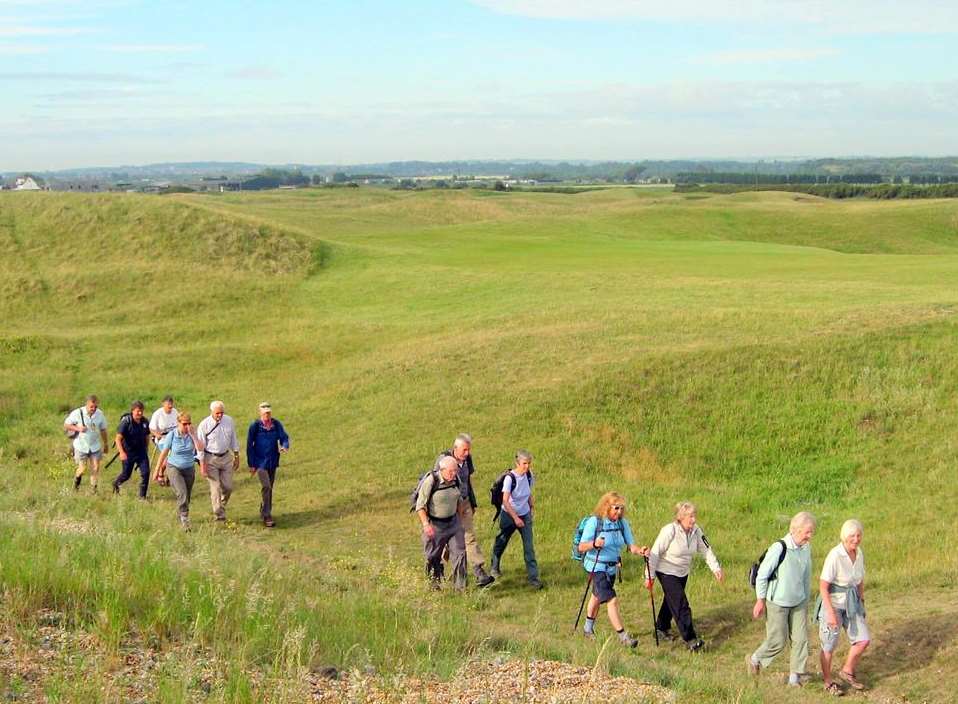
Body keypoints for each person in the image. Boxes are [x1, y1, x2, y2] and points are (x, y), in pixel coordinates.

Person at [747, 512, 817, 687]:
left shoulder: (806, 548)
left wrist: (807, 598)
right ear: (795, 530)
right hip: (777, 602)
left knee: (801, 640)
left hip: (799, 601)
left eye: (811, 532)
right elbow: (762, 575)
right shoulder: (779, 548)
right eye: (807, 532)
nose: (810, 536)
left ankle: (794, 679)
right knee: (778, 640)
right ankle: (755, 659)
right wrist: (760, 601)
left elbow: (807, 575)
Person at [646, 501, 724, 651]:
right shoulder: (669, 531)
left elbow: (706, 549)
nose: (694, 520)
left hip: (683, 572)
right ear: (680, 517)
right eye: (690, 517)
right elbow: (655, 553)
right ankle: (691, 639)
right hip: (666, 571)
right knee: (681, 604)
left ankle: (661, 628)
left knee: (671, 600)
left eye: (694, 516)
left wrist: (716, 568)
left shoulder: (696, 531)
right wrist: (649, 576)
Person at [578, 491, 647, 647]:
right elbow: (582, 546)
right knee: (612, 600)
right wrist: (594, 544)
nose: (619, 512)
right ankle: (623, 637)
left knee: (596, 596)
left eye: (622, 508)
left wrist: (640, 551)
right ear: (606, 507)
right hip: (596, 567)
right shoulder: (595, 523)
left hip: (612, 568)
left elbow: (631, 546)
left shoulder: (622, 524)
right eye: (616, 508)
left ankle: (587, 630)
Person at [817, 519, 870, 695]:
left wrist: (861, 602)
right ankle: (827, 681)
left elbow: (860, 580)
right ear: (844, 537)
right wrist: (830, 613)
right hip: (833, 603)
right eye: (852, 536)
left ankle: (847, 671)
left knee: (863, 639)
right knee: (829, 644)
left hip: (852, 603)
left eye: (858, 535)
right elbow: (823, 586)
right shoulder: (835, 555)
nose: (856, 539)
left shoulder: (859, 553)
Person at [435, 433, 494, 587]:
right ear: (455, 448)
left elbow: (468, 481)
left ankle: (479, 571)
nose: (467, 453)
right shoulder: (444, 460)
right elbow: (436, 483)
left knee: (469, 537)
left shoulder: (468, 460)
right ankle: (437, 571)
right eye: (464, 450)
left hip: (464, 504)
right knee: (446, 541)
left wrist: (472, 503)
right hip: (448, 507)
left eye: (468, 450)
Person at [490, 450, 541, 589]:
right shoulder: (510, 479)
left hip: (525, 515)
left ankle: (534, 578)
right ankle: (494, 566)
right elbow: (505, 501)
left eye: (529, 463)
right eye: (524, 463)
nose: (527, 467)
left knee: (529, 547)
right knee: (502, 540)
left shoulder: (529, 476)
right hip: (509, 515)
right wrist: (515, 518)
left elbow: (529, 493)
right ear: (517, 463)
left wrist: (531, 507)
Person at [416, 456, 468, 590]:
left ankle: (460, 588)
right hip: (435, 525)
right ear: (442, 470)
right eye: (450, 471)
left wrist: (460, 521)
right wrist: (426, 525)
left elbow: (460, 500)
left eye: (455, 471)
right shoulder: (431, 481)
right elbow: (420, 506)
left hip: (453, 523)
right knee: (433, 556)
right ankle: (434, 585)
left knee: (460, 554)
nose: (453, 474)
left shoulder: (456, 479)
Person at [246, 402, 290, 528]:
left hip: (273, 461)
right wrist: (251, 464)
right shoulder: (255, 426)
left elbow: (284, 437)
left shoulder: (276, 424)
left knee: (269, 487)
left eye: (269, 412)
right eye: (265, 413)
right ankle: (267, 515)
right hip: (259, 462)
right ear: (260, 413)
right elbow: (249, 445)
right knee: (266, 486)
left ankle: (264, 508)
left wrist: (284, 446)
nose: (267, 415)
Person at [195, 400, 240, 522]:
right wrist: (202, 465)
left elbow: (233, 438)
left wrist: (236, 455)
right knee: (215, 488)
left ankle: (221, 506)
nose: (220, 415)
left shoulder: (229, 421)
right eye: (217, 413)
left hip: (226, 457)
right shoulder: (204, 425)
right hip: (211, 459)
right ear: (212, 412)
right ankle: (219, 514)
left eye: (221, 413)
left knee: (228, 487)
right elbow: (200, 447)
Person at [156, 412, 199, 530]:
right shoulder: (172, 435)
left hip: (189, 468)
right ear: (178, 423)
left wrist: (193, 435)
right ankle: (185, 519)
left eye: (189, 424)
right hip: (174, 467)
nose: (187, 426)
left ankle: (180, 514)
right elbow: (164, 454)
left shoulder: (191, 434)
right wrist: (158, 471)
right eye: (184, 424)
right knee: (182, 492)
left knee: (187, 495)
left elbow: (200, 448)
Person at [63, 394, 109, 493]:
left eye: (96, 407)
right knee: (82, 468)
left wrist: (106, 444)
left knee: (95, 468)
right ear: (86, 405)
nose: (93, 409)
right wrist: (78, 428)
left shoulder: (100, 414)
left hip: (95, 445)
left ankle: (93, 490)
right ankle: (76, 484)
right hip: (81, 446)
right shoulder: (78, 413)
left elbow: (103, 430)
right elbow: (66, 425)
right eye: (91, 407)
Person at [111, 400, 153, 498]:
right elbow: (118, 438)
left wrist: (146, 448)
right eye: (138, 411)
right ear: (132, 411)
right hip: (128, 452)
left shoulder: (145, 421)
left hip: (141, 452)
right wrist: (121, 453)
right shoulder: (126, 422)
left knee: (146, 473)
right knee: (126, 475)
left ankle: (142, 497)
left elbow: (147, 436)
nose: (140, 413)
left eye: (141, 411)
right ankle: (116, 483)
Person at [149, 396, 178, 486]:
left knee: (172, 457)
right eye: (168, 404)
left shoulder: (175, 412)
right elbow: (151, 428)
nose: (170, 406)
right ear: (163, 404)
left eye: (171, 404)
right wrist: (157, 434)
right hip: (162, 439)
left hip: (173, 437)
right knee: (168, 457)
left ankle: (164, 473)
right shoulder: (158, 414)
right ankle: (161, 473)